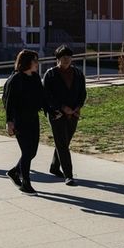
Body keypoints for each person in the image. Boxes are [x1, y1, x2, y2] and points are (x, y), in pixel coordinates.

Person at [3, 50, 48, 196]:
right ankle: (26, 184)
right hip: (19, 120)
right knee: (27, 151)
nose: (37, 63)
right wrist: (9, 122)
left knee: (32, 152)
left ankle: (15, 172)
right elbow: (8, 102)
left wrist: (52, 110)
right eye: (34, 60)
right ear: (27, 62)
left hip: (33, 118)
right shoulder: (15, 79)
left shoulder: (35, 77)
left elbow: (42, 97)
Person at [43, 45, 86, 186]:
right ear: (57, 59)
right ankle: (69, 175)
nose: (66, 60)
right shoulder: (50, 74)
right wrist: (61, 108)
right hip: (57, 114)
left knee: (64, 142)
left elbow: (83, 93)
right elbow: (47, 96)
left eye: (69, 57)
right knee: (62, 143)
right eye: (63, 57)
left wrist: (77, 107)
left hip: (73, 114)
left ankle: (54, 167)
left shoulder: (78, 74)